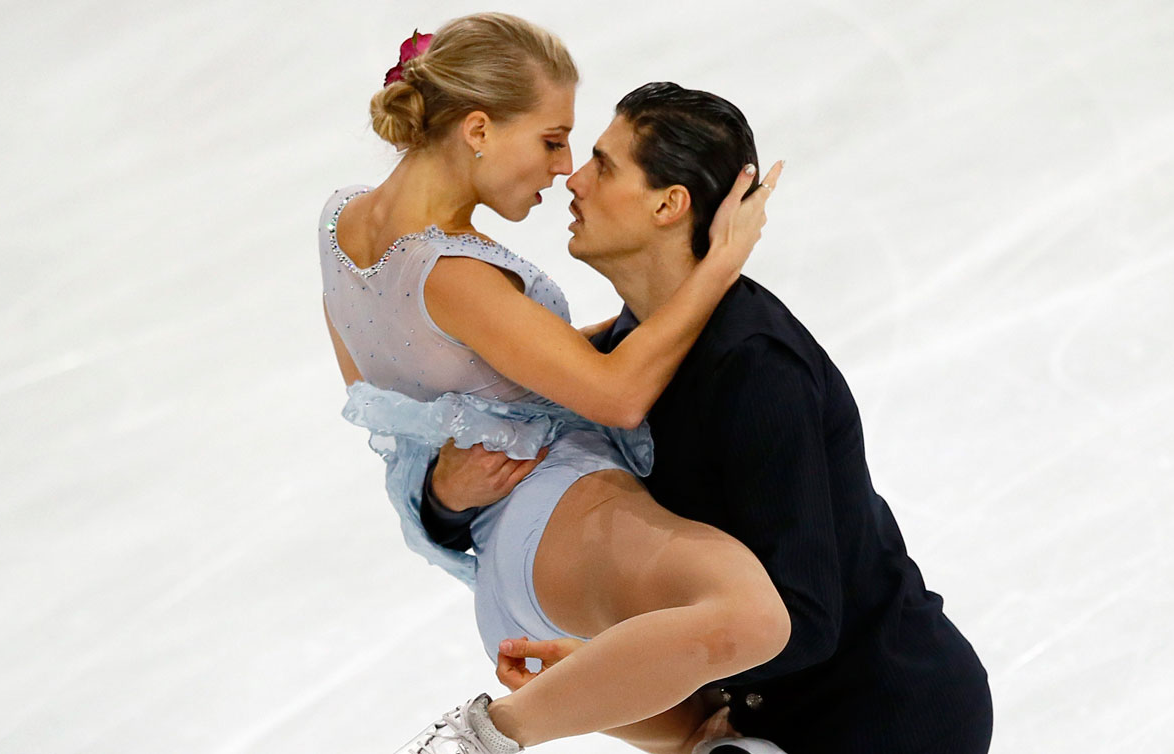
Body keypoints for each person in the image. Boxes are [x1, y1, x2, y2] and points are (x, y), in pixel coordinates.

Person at [422, 83, 995, 753]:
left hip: (889, 717)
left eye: (604, 165)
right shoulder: (624, 356)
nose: (573, 179)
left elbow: (804, 617)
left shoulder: (756, 367)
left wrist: (623, 666)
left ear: (670, 203)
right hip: (769, 719)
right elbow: (505, 458)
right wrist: (445, 500)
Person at [318, 13, 789, 754]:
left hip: (514, 591)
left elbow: (431, 391)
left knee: (710, 738)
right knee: (751, 616)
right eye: (549, 139)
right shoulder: (453, 271)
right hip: (565, 520)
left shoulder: (343, 225)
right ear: (477, 129)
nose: (563, 166)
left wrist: (443, 496)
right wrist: (719, 264)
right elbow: (616, 395)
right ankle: (476, 739)